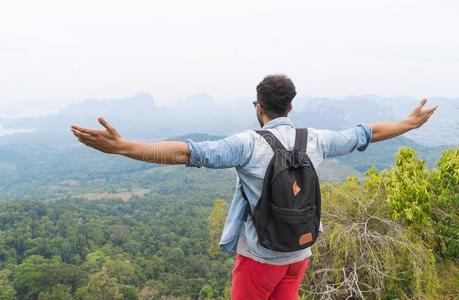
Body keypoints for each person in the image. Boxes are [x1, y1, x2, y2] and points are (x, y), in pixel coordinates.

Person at [70, 74, 437, 300]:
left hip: (260, 257)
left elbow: (186, 152)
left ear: (258, 107)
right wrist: (409, 123)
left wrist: (122, 148)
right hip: (300, 254)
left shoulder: (247, 143)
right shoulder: (317, 140)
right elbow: (367, 133)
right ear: (290, 106)